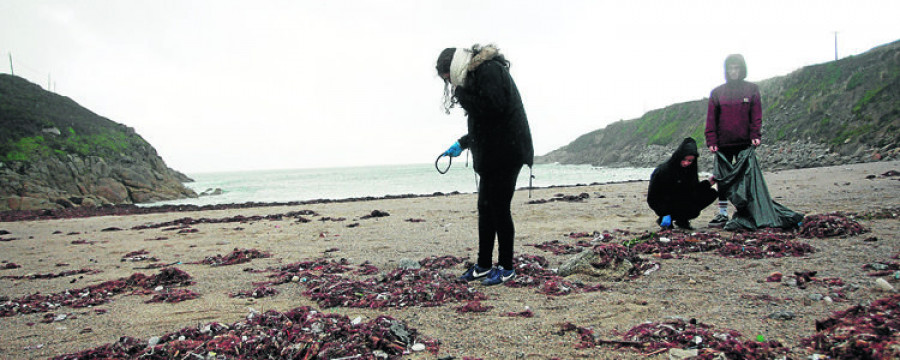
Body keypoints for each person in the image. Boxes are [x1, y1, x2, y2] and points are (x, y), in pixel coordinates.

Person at [435, 44, 534, 286]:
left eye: (447, 77)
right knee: (485, 209)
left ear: (454, 66)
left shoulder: (489, 70)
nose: (449, 83)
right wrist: (462, 144)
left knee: (499, 208)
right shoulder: (476, 77)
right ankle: (483, 265)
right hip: (494, 153)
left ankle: (507, 267)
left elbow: (493, 108)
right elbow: (485, 122)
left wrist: (461, 93)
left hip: (509, 152)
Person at [705, 54, 762, 228]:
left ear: (742, 69)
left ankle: (745, 211)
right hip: (723, 144)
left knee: (745, 179)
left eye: (737, 68)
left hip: (744, 143)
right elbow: (711, 118)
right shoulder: (717, 93)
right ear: (726, 71)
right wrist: (711, 140)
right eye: (730, 68)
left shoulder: (751, 90)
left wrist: (755, 135)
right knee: (722, 179)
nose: (733, 72)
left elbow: (756, 115)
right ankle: (722, 212)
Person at [647, 137, 718, 230]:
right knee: (673, 199)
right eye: (684, 159)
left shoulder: (690, 170)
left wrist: (708, 183)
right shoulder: (663, 171)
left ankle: (682, 219)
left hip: (681, 202)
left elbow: (693, 190)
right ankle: (666, 218)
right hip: (665, 202)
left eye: (690, 161)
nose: (686, 163)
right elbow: (653, 197)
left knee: (711, 193)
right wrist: (664, 213)